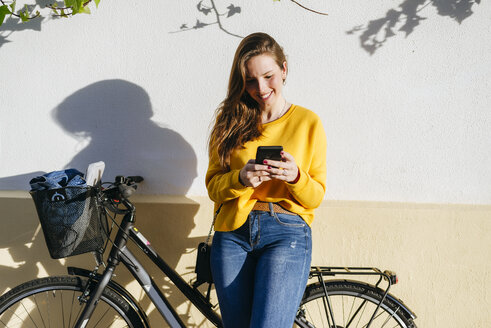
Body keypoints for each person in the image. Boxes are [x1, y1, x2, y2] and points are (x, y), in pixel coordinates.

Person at [206, 32, 327, 328]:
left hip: (286, 232)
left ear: (284, 70)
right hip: (232, 234)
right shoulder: (229, 121)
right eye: (250, 80)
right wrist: (240, 178)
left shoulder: (308, 122)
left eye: (268, 76)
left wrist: (296, 177)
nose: (260, 88)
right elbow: (213, 187)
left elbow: (315, 197)